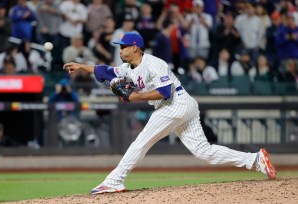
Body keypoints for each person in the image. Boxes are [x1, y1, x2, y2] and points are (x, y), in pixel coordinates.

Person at [63, 32, 276, 195]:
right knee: (204, 151)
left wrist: (134, 97)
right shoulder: (128, 67)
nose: (120, 50)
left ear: (135, 48)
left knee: (141, 142)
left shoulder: (153, 63)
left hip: (176, 103)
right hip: (181, 106)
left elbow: (165, 92)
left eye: (124, 47)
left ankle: (114, 180)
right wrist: (82, 67)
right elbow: (108, 71)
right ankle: (255, 160)